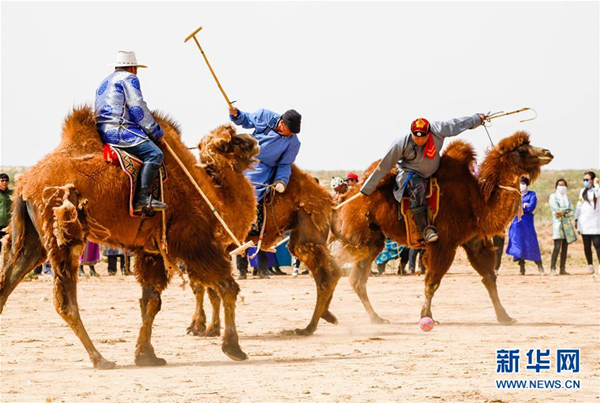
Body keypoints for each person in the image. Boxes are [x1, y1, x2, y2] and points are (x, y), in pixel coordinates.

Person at [360, 113, 485, 243]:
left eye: (423, 137)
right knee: (417, 186)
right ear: (411, 133)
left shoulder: (438, 129)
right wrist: (366, 189)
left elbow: (456, 124)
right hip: (410, 174)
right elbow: (385, 165)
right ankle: (426, 229)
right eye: (416, 137)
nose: (419, 140)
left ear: (429, 133)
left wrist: (477, 119)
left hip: (434, 170)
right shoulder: (400, 143)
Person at [229, 106, 302, 278]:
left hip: (262, 170)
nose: (289, 134)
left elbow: (285, 164)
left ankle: (249, 229)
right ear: (281, 123)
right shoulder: (264, 115)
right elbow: (245, 121)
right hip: (243, 158)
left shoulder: (294, 142)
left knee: (252, 196)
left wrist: (281, 181)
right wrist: (236, 114)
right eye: (288, 131)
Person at [95, 51, 167, 213]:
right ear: (133, 68)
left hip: (102, 132)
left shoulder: (103, 82)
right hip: (121, 132)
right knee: (155, 154)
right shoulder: (129, 78)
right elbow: (137, 107)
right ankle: (142, 197)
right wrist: (156, 132)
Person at [506, 177, 545, 275]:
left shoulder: (532, 194)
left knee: (531, 243)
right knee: (518, 244)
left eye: (523, 183)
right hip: (516, 223)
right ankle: (521, 268)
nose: (521, 185)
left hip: (527, 223)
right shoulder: (514, 195)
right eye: (519, 183)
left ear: (527, 184)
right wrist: (524, 205)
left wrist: (522, 207)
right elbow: (511, 207)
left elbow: (531, 206)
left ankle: (539, 265)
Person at [549, 178, 577, 275]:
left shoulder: (567, 198)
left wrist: (563, 211)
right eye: (560, 185)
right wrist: (566, 211)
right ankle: (552, 268)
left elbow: (572, 210)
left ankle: (562, 268)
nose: (562, 187)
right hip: (558, 225)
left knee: (565, 248)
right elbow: (556, 210)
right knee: (557, 247)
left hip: (567, 226)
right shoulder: (553, 197)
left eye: (563, 185)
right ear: (556, 186)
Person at [574, 171, 600, 274]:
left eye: (587, 179)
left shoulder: (597, 189)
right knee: (586, 245)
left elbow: (597, 195)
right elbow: (579, 205)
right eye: (584, 180)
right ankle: (590, 265)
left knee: (597, 244)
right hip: (584, 222)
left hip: (596, 222)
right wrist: (576, 219)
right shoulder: (582, 191)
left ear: (593, 180)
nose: (585, 182)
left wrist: (597, 184)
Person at [0, 173, 12, 253]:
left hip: (8, 226)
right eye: (2, 180)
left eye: (6, 180)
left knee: (9, 247)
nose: (4, 182)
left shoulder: (12, 193)